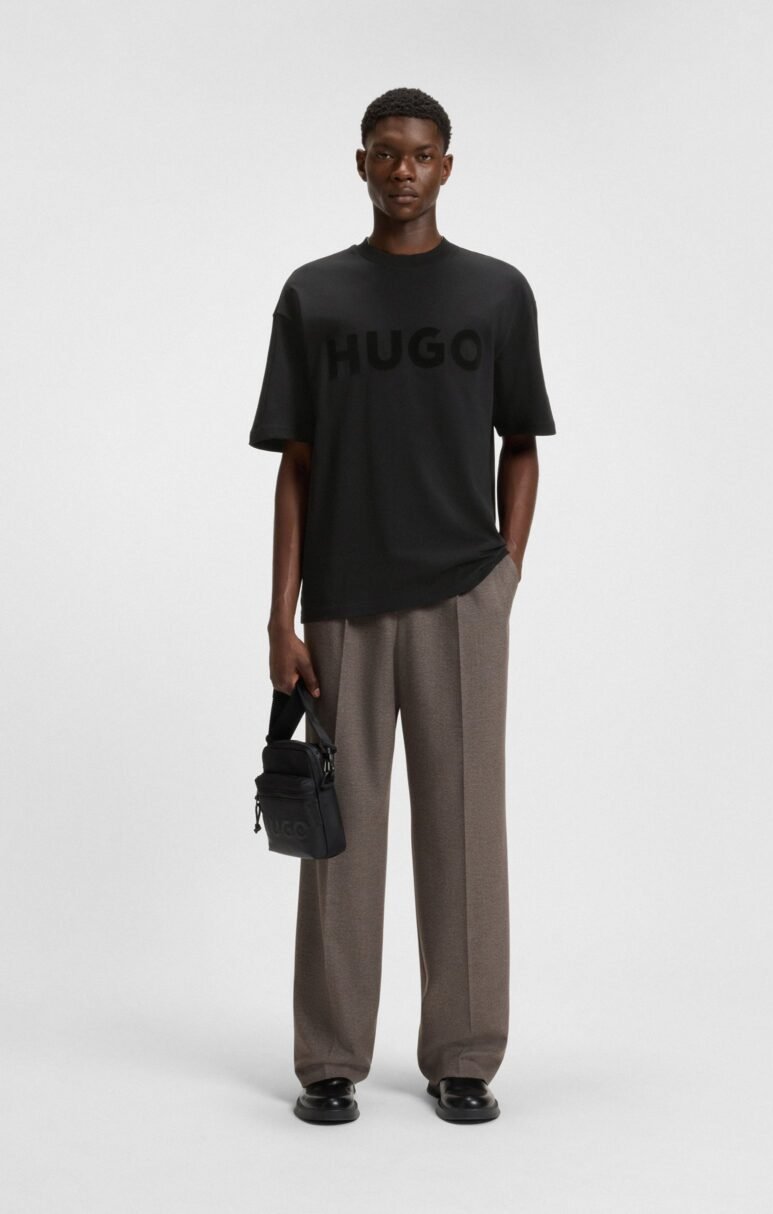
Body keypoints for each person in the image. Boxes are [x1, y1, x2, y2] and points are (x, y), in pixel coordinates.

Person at [248, 86, 556, 1124]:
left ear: (446, 166)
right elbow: (295, 463)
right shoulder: (315, 294)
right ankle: (330, 1058)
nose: (403, 171)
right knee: (341, 836)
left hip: (462, 597)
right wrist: (281, 615)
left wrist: (505, 573)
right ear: (361, 163)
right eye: (385, 153)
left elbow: (523, 444)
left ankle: (464, 1055)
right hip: (341, 599)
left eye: (420, 154)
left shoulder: (496, 292)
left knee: (465, 827)